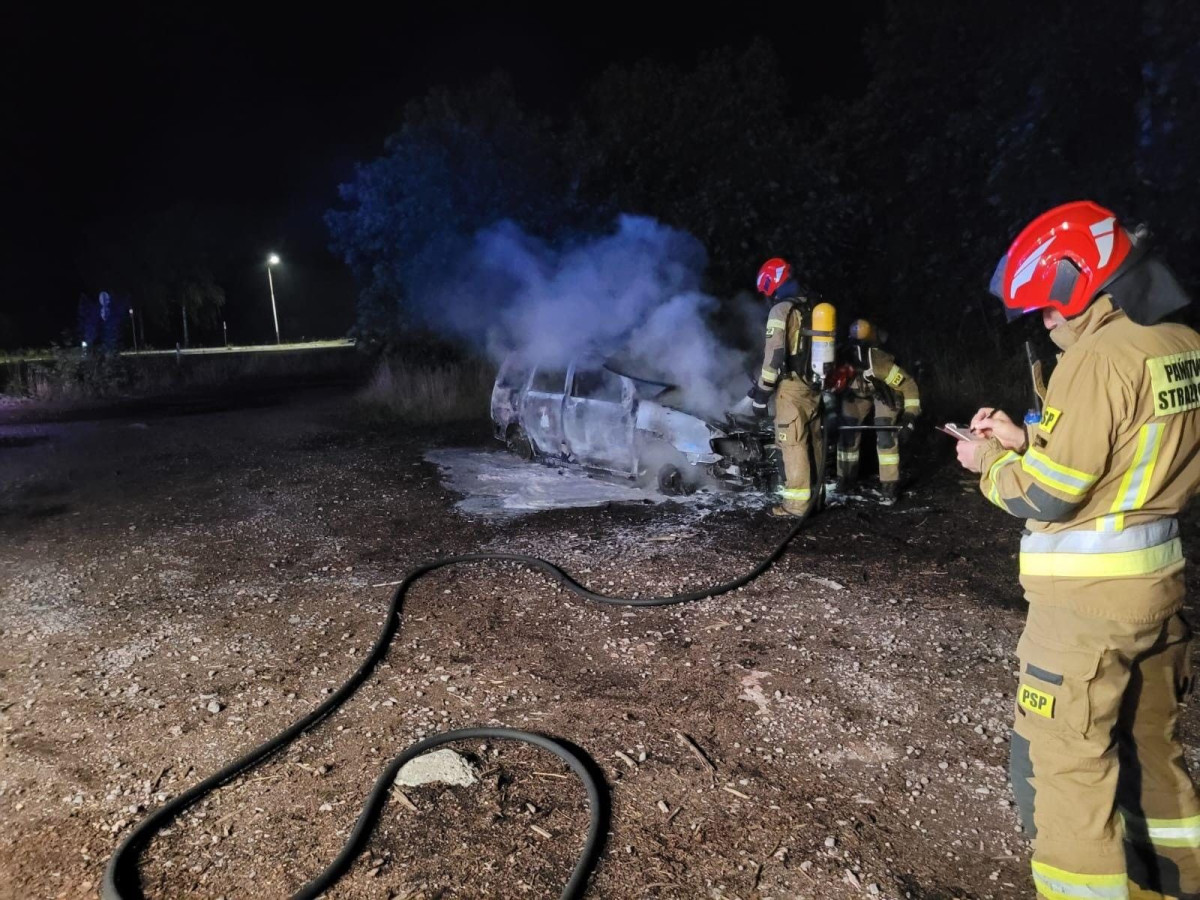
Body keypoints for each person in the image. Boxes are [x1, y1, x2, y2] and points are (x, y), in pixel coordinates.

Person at [955, 200, 1200, 900]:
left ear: (1078, 283)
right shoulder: (1180, 345)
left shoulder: (1096, 359)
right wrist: (1027, 439)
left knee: (1066, 773)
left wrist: (988, 462)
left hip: (1086, 614)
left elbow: (1047, 498)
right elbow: (1127, 458)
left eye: (1048, 308)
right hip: (1157, 594)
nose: (1045, 321)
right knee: (1155, 755)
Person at [836, 318, 920, 503]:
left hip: (885, 393)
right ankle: (846, 479)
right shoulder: (838, 360)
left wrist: (910, 416)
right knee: (847, 433)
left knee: (885, 433)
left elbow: (909, 386)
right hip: (857, 394)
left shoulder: (879, 363)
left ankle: (889, 485)